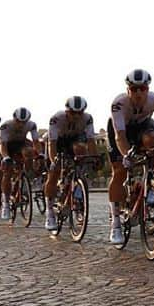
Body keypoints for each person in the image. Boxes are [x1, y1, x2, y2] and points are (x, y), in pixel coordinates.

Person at [106, 69, 154, 245]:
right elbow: (120, 136)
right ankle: (115, 222)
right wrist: (126, 155)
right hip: (121, 130)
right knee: (120, 171)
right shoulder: (119, 104)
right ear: (128, 89)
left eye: (142, 88)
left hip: (143, 125)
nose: (138, 93)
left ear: (147, 88)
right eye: (134, 89)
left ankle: (149, 182)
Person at [44, 97, 98, 231]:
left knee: (81, 149)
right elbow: (52, 144)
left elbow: (91, 141)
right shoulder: (56, 119)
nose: (77, 116)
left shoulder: (87, 118)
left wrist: (94, 157)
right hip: (59, 141)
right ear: (67, 111)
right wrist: (54, 160)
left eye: (80, 113)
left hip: (75, 139)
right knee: (54, 173)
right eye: (73, 113)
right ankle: (49, 212)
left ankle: (78, 189)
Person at [0, 107, 40, 220]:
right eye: (18, 122)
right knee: (7, 172)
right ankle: (5, 203)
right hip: (8, 146)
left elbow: (36, 142)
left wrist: (40, 155)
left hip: (21, 144)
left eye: (24, 122)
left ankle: (25, 177)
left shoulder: (31, 125)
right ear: (14, 119)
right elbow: (3, 145)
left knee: (30, 152)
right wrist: (6, 157)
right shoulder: (6, 125)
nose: (21, 125)